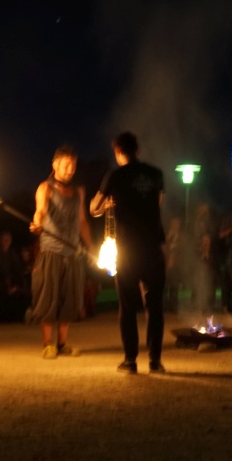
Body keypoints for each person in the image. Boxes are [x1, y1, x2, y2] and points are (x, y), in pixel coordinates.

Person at [90, 132, 167, 375]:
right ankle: (155, 361)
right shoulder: (156, 174)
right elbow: (158, 202)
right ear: (138, 150)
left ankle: (130, 360)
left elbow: (93, 209)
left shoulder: (115, 176)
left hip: (127, 249)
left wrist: (107, 204)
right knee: (154, 306)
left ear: (117, 152)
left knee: (128, 306)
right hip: (153, 247)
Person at [29, 145, 93, 359]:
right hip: (51, 251)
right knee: (48, 299)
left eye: (73, 165)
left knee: (69, 300)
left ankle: (62, 343)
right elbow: (40, 211)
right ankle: (48, 344)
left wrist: (91, 247)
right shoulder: (45, 188)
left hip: (73, 252)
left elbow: (82, 221)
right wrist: (37, 224)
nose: (70, 169)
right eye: (66, 165)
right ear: (55, 164)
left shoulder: (79, 192)